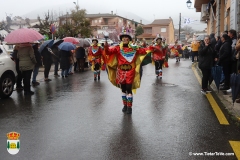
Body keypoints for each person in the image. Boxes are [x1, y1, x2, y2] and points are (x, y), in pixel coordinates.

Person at [104, 28, 149, 114]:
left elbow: (144, 51)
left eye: (126, 37)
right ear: (121, 39)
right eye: (123, 37)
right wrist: (106, 45)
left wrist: (143, 45)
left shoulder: (134, 48)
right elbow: (108, 52)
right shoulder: (117, 48)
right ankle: (125, 105)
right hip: (120, 71)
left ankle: (129, 107)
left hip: (130, 71)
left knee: (129, 88)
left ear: (129, 39)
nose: (124, 39)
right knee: (123, 89)